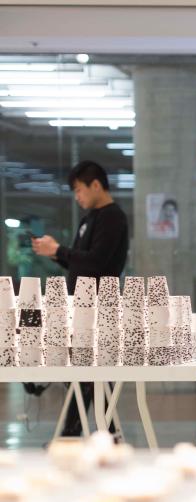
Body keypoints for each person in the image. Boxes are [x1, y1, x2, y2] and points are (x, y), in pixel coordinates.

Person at [33, 160, 129, 437]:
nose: (77, 197)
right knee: (89, 375)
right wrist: (56, 253)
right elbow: (81, 265)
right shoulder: (90, 219)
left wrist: (60, 250)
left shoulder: (113, 217)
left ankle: (74, 434)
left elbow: (96, 262)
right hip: (82, 307)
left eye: (79, 190)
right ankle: (104, 433)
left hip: (100, 308)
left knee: (90, 374)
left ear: (95, 185)